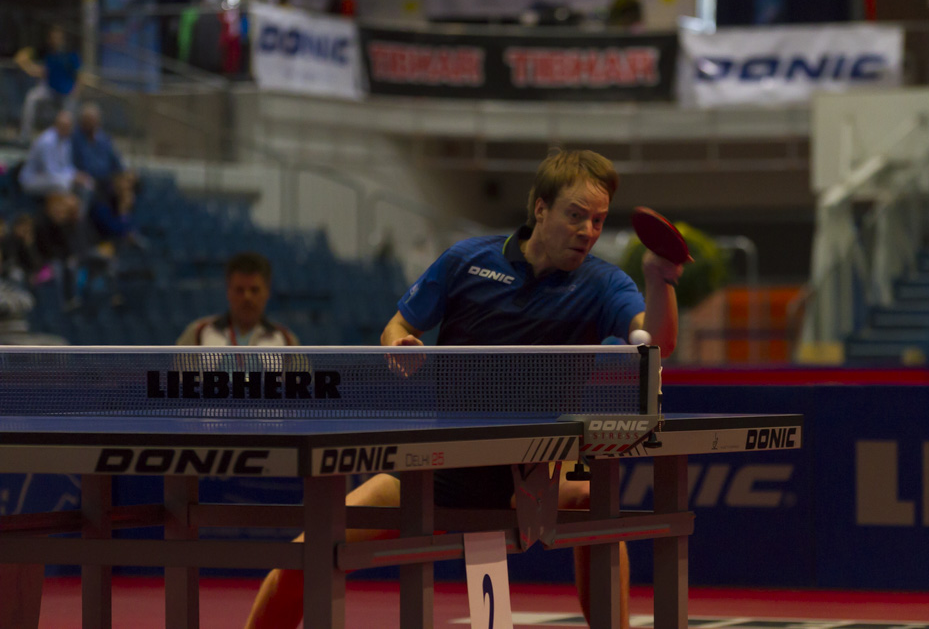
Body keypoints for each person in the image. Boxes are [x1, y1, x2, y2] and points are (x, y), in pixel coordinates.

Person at [243, 149, 683, 629]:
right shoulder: (467, 260)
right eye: (576, 215)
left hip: (529, 476)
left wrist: (659, 281)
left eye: (598, 220)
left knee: (596, 507)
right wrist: (399, 345)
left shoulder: (604, 283)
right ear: (541, 208)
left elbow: (656, 343)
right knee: (305, 556)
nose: (588, 231)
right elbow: (398, 324)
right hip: (440, 465)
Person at [176, 252, 298, 346]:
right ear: (228, 291)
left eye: (254, 290)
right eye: (240, 290)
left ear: (267, 291)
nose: (247, 297)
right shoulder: (198, 333)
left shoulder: (286, 340)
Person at [16, 25, 81, 142]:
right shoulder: (47, 53)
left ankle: (69, 142)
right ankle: (25, 135)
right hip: (49, 90)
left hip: (66, 93)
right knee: (31, 98)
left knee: (68, 117)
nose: (55, 40)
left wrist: (75, 93)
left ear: (63, 39)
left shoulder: (70, 54)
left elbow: (79, 77)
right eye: (53, 38)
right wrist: (30, 68)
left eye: (58, 38)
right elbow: (22, 58)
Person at [19, 110, 95, 199]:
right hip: (32, 179)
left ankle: (78, 208)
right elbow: (50, 171)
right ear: (56, 125)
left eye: (68, 127)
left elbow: (66, 166)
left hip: (53, 178)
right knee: (63, 184)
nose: (66, 129)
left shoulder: (65, 141)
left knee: (87, 182)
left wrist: (76, 175)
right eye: (63, 126)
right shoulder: (47, 141)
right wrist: (72, 178)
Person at [72, 103, 129, 185]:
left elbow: (115, 159)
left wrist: (124, 173)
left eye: (92, 120)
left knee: (130, 181)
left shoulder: (104, 138)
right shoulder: (75, 139)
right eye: (87, 120)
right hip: (87, 179)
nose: (90, 123)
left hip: (108, 178)